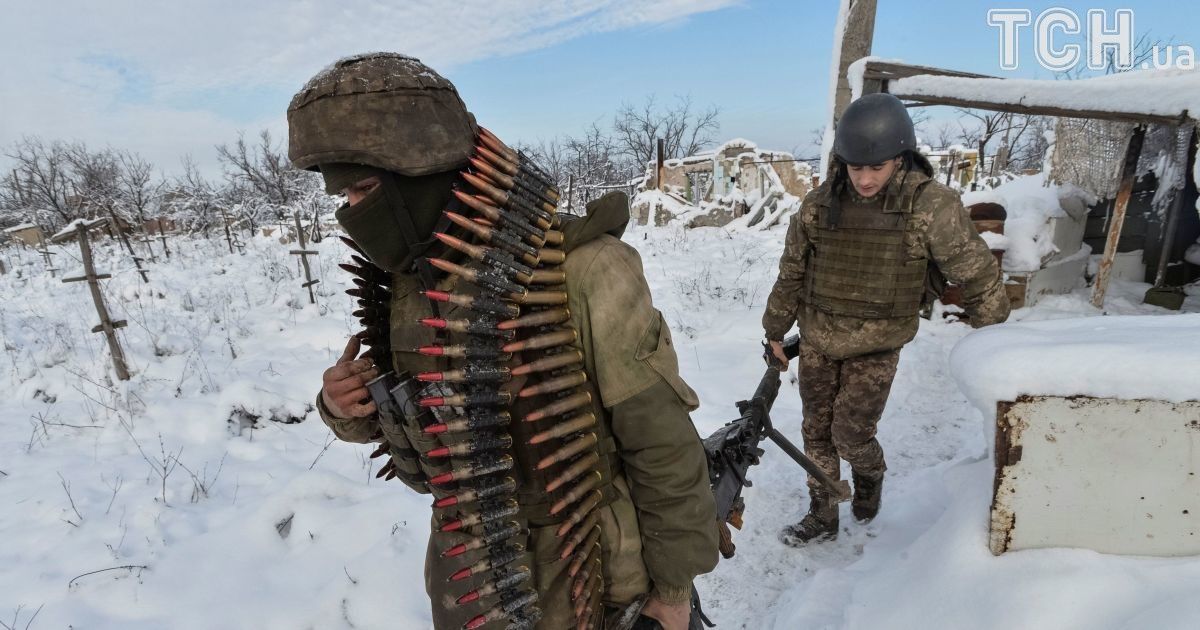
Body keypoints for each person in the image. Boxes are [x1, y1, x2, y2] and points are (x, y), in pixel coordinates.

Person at [289, 53, 718, 629]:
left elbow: (660, 442)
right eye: (342, 198)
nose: (353, 213)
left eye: (364, 189)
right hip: (472, 576)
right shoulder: (410, 284)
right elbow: (432, 435)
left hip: (590, 566)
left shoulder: (584, 270)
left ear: (422, 175)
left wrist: (673, 587)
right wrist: (344, 408)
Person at [761, 93, 1010, 546]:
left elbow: (974, 270)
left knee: (851, 436)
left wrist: (995, 336)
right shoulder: (819, 206)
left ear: (901, 158)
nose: (865, 178)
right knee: (815, 433)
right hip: (818, 339)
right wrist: (774, 331)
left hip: (876, 345)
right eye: (856, 167)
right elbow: (792, 270)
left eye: (876, 167)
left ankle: (869, 480)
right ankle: (823, 513)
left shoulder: (930, 206)